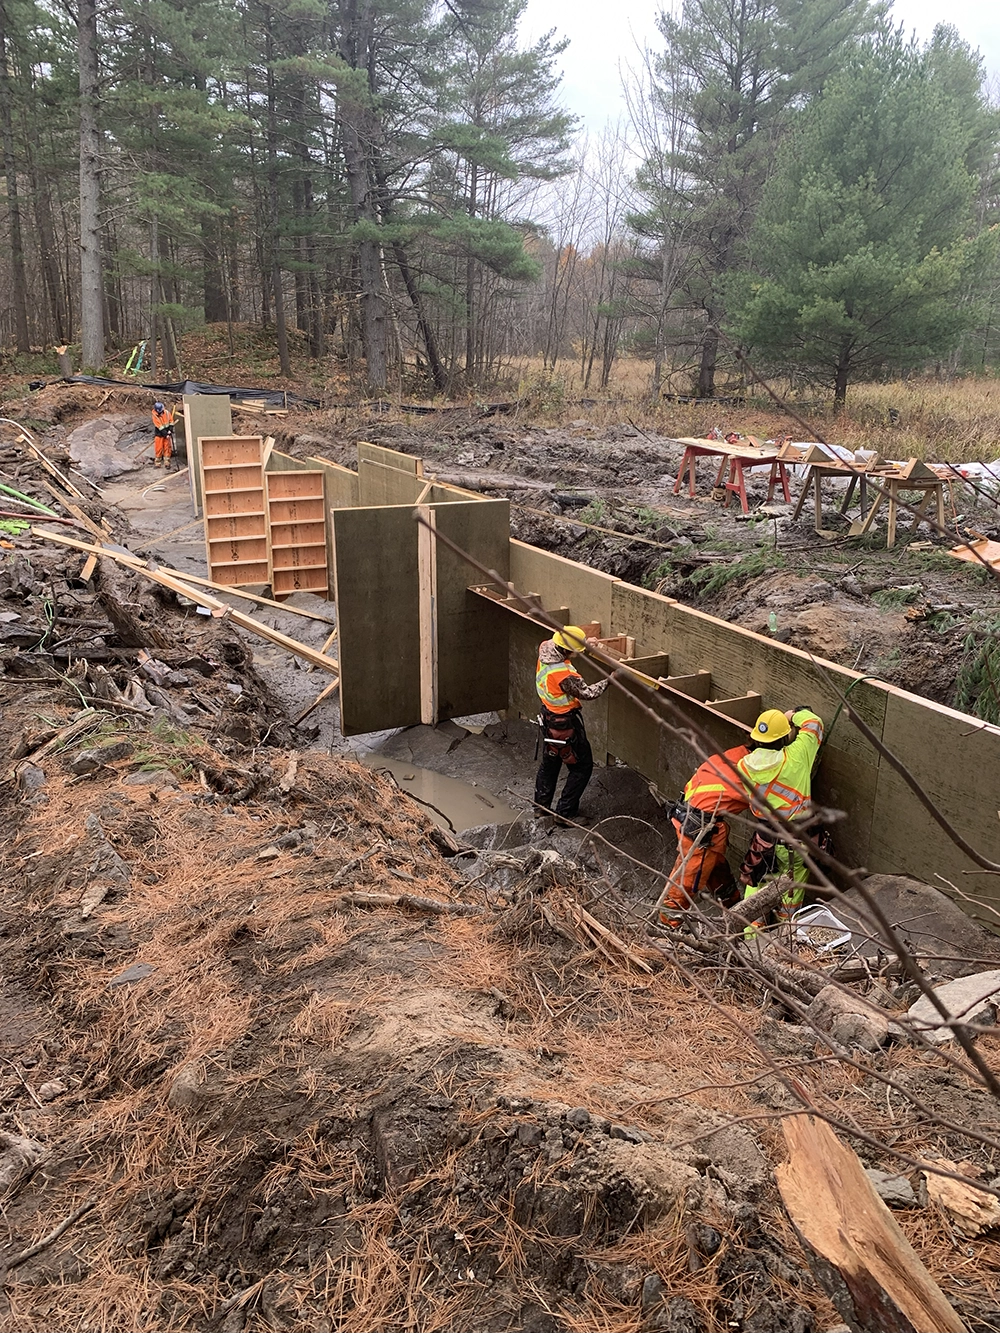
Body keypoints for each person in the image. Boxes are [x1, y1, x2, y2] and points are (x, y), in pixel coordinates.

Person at [736, 705, 825, 930]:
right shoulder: (796, 756)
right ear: (786, 737)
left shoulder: (743, 765)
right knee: (791, 889)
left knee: (757, 884)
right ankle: (786, 934)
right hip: (796, 839)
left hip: (765, 839)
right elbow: (814, 724)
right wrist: (794, 714)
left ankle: (750, 937)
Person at [657, 742, 750, 928]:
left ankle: (734, 906)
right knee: (688, 882)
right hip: (700, 830)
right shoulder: (756, 772)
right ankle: (667, 927)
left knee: (715, 867)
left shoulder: (733, 755)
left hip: (688, 815)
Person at [534, 625, 609, 822]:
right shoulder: (564, 675)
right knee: (582, 768)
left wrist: (585, 645)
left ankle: (541, 808)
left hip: (548, 718)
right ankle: (565, 814)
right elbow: (588, 693)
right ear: (568, 650)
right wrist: (610, 680)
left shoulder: (546, 647)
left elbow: (566, 646)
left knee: (550, 763)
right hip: (565, 724)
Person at [151, 401, 175, 468]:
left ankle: (167, 462)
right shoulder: (154, 415)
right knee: (158, 448)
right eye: (159, 412)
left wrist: (170, 430)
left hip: (167, 432)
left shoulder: (167, 413)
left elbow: (171, 421)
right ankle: (157, 463)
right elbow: (160, 427)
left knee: (167, 447)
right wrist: (165, 434)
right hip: (159, 433)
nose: (161, 413)